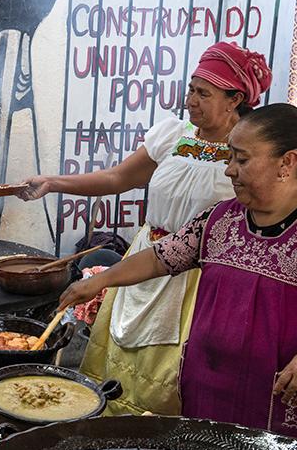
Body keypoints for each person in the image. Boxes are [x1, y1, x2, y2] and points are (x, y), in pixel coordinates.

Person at [59, 104, 297, 440]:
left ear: (287, 162)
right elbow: (161, 258)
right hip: (209, 392)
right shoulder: (221, 218)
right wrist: (99, 281)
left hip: (285, 406)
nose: (229, 170)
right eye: (230, 158)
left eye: (242, 159)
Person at [19, 41, 272, 416]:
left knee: (172, 372)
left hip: (200, 277)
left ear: (234, 99)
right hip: (146, 259)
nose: (191, 100)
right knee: (123, 355)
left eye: (204, 93)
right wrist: (53, 183)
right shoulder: (174, 136)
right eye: (191, 89)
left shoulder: (249, 152)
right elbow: (116, 177)